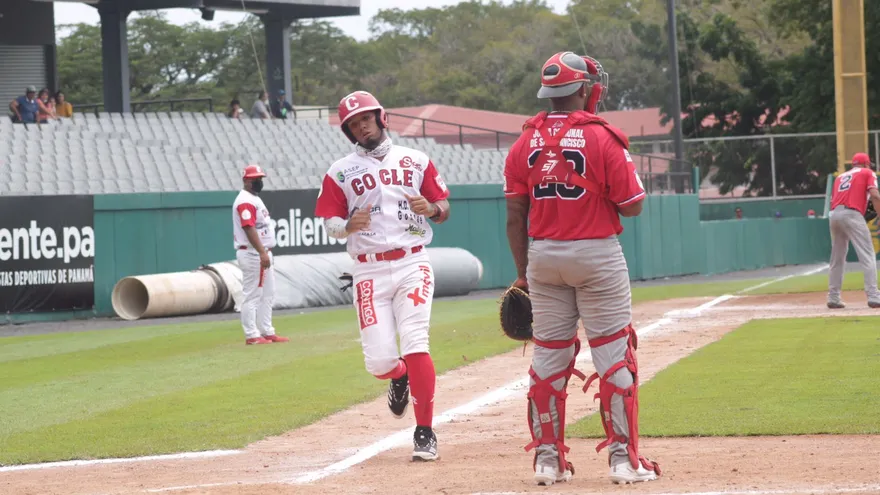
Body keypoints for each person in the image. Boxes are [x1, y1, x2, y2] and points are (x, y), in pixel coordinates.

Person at [503, 51, 661, 486]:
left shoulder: (524, 142)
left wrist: (523, 273)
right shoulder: (602, 137)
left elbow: (515, 217)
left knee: (548, 360)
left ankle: (547, 461)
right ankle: (622, 460)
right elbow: (632, 207)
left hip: (543, 257)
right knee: (613, 354)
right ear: (583, 90)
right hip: (595, 254)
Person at [315, 90, 451, 462]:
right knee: (378, 361)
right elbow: (328, 222)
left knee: (416, 341)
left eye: (366, 118)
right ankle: (398, 375)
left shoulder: (415, 159)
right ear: (349, 132)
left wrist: (433, 208)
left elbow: (444, 207)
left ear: (381, 117)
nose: (362, 126)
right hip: (369, 268)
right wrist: (345, 226)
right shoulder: (340, 170)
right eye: (354, 123)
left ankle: (425, 431)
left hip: (412, 261)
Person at [232, 164, 290, 345]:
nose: (258, 181)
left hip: (262, 253)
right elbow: (248, 227)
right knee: (253, 295)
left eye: (260, 178)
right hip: (252, 253)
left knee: (268, 293)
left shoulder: (254, 198)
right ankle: (252, 334)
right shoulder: (245, 200)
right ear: (246, 180)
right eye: (255, 179)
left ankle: (266, 330)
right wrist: (262, 252)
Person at [826, 152, 880, 309]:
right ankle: (874, 295)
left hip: (835, 214)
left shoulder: (839, 178)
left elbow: (834, 201)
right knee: (868, 255)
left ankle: (833, 297)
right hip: (852, 214)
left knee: (837, 258)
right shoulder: (867, 172)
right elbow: (875, 196)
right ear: (866, 164)